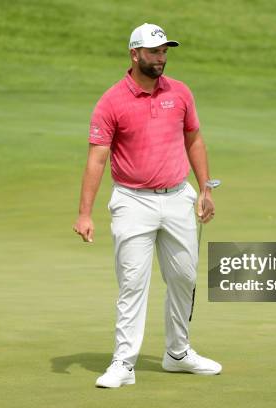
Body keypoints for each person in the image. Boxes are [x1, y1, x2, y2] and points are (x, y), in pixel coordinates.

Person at [73, 23, 222, 388]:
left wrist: (205, 188)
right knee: (133, 284)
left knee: (184, 278)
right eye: (154, 51)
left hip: (177, 197)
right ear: (134, 54)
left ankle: (178, 353)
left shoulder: (180, 93)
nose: (161, 58)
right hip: (132, 201)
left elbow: (195, 140)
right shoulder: (111, 102)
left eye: (164, 51)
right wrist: (84, 213)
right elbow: (97, 159)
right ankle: (123, 363)